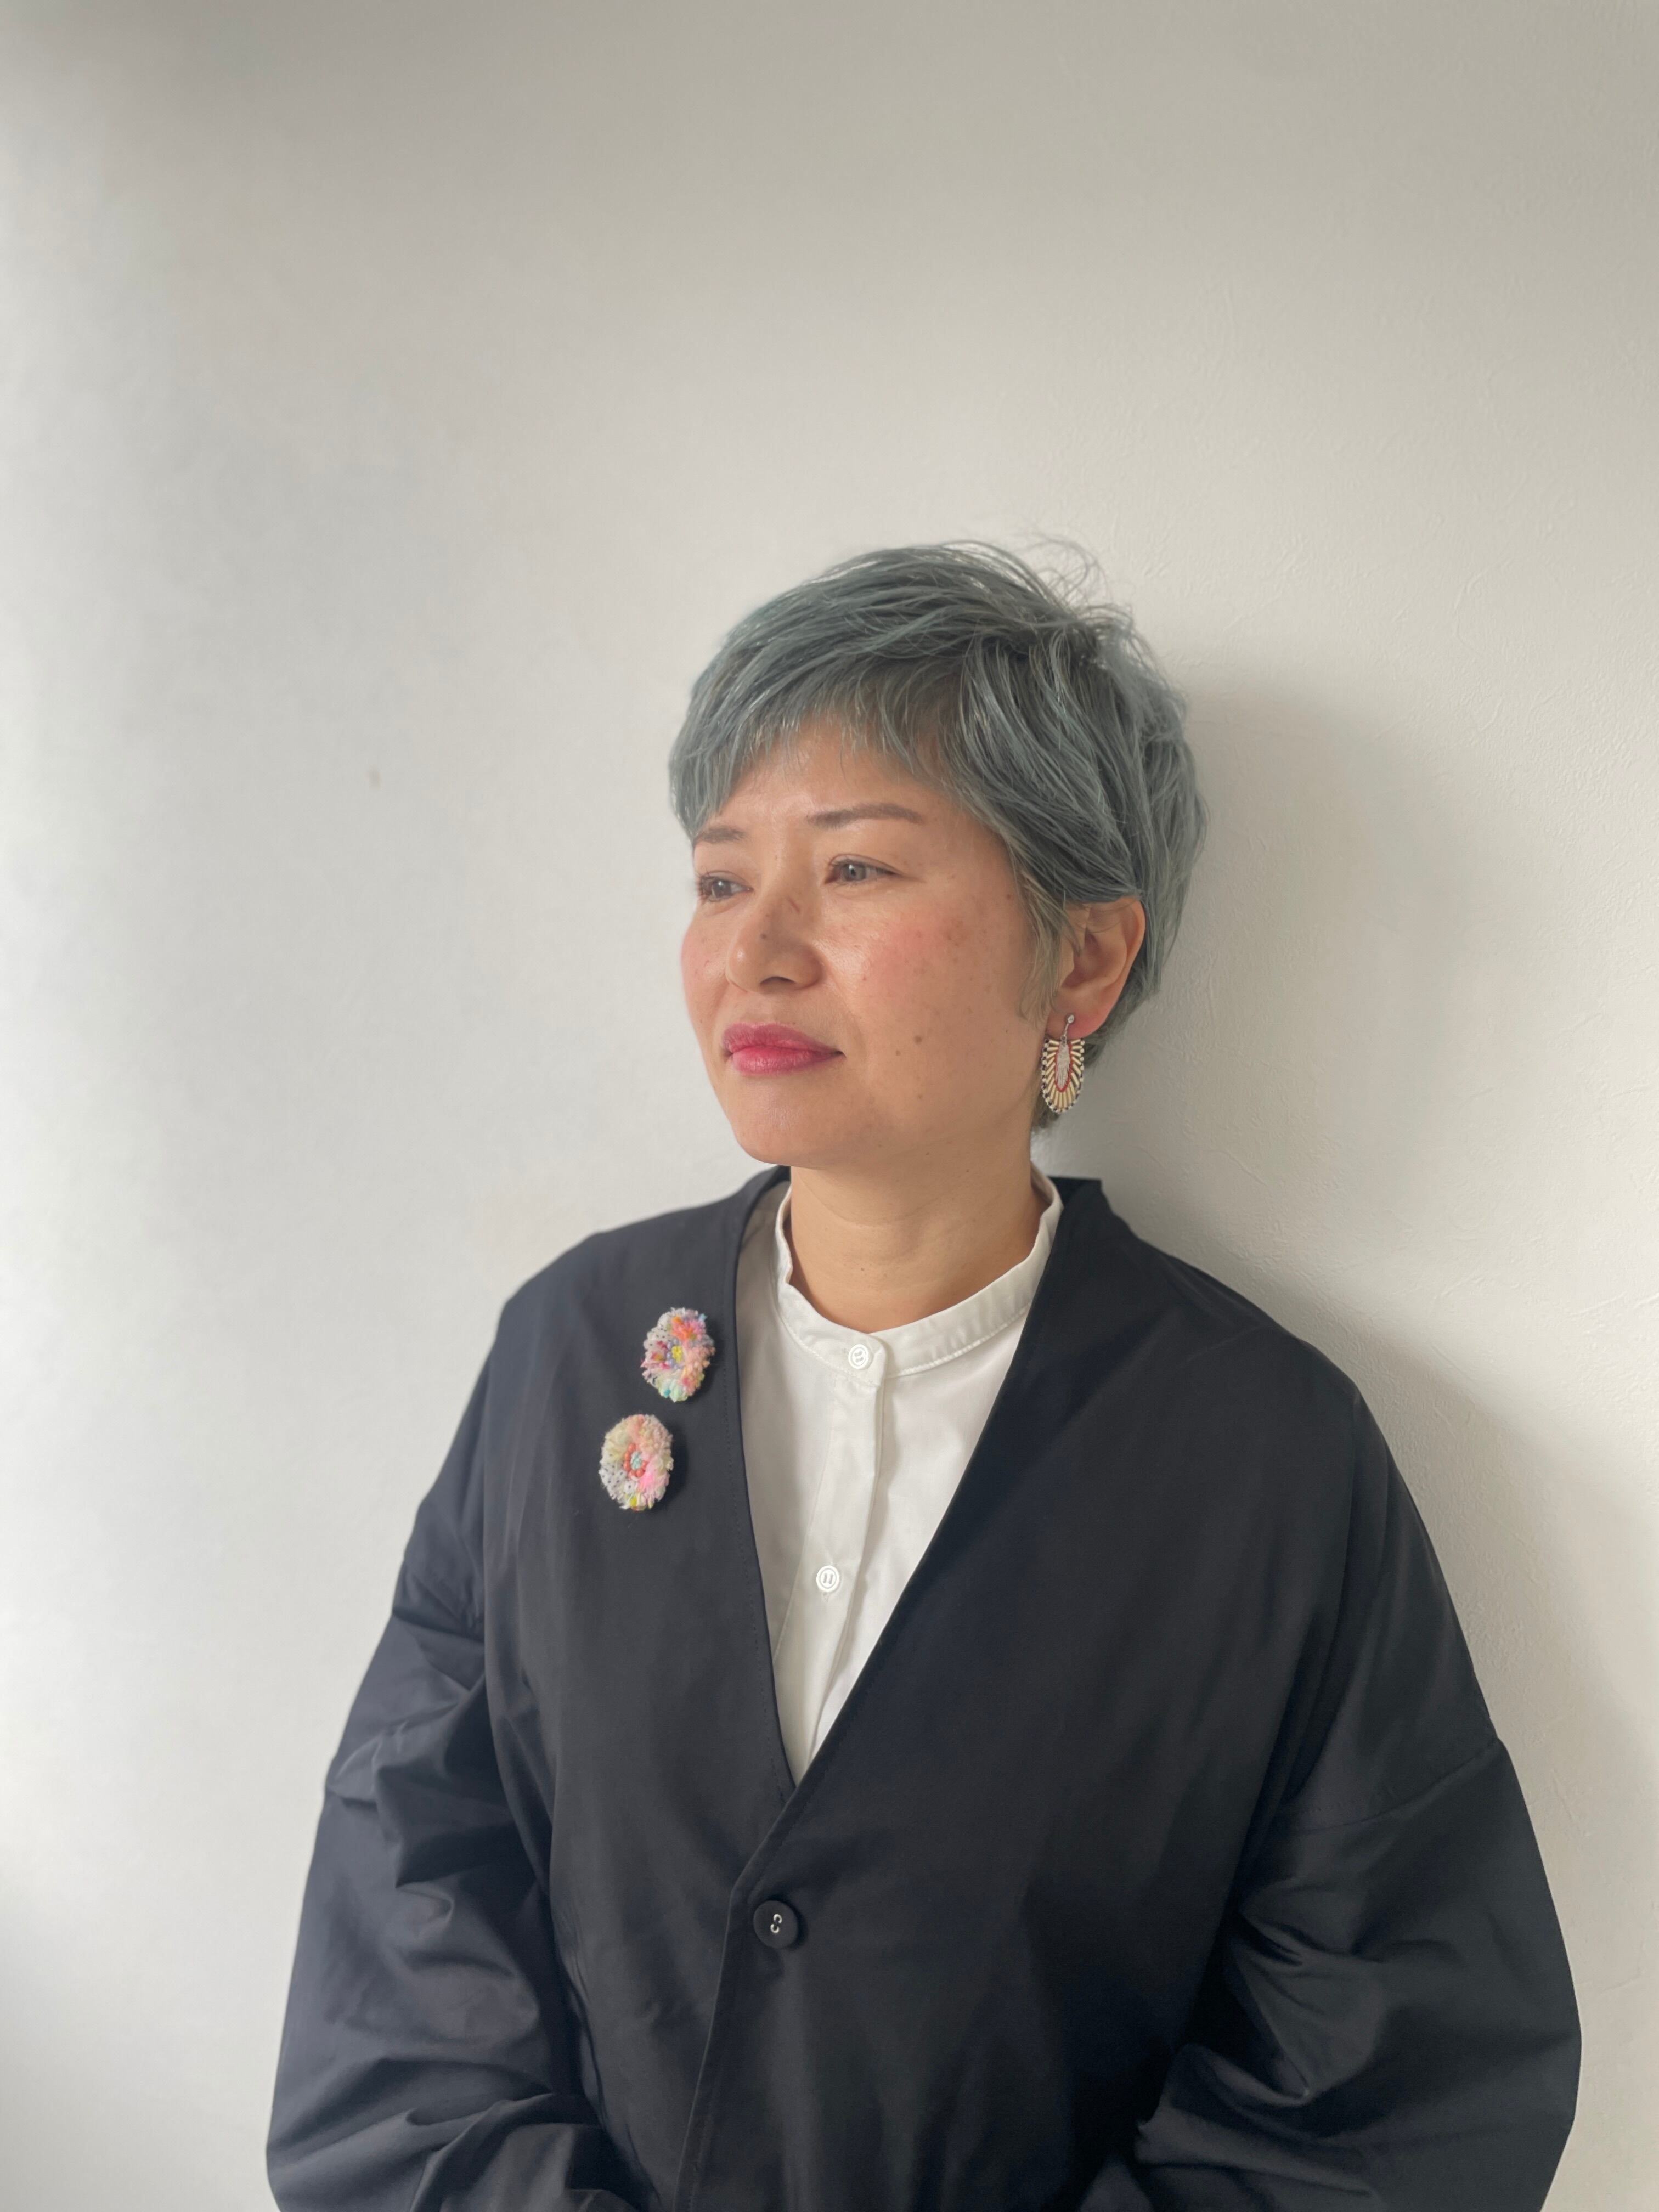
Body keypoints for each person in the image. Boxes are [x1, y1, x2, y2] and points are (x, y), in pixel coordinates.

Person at [268, 545, 1578, 2212]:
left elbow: (1391, 2067)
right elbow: (407, 1946)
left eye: (857, 868)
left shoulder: (1260, 1455)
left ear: (1082, 961)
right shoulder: (569, 1355)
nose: (758, 950)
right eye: (721, 879)